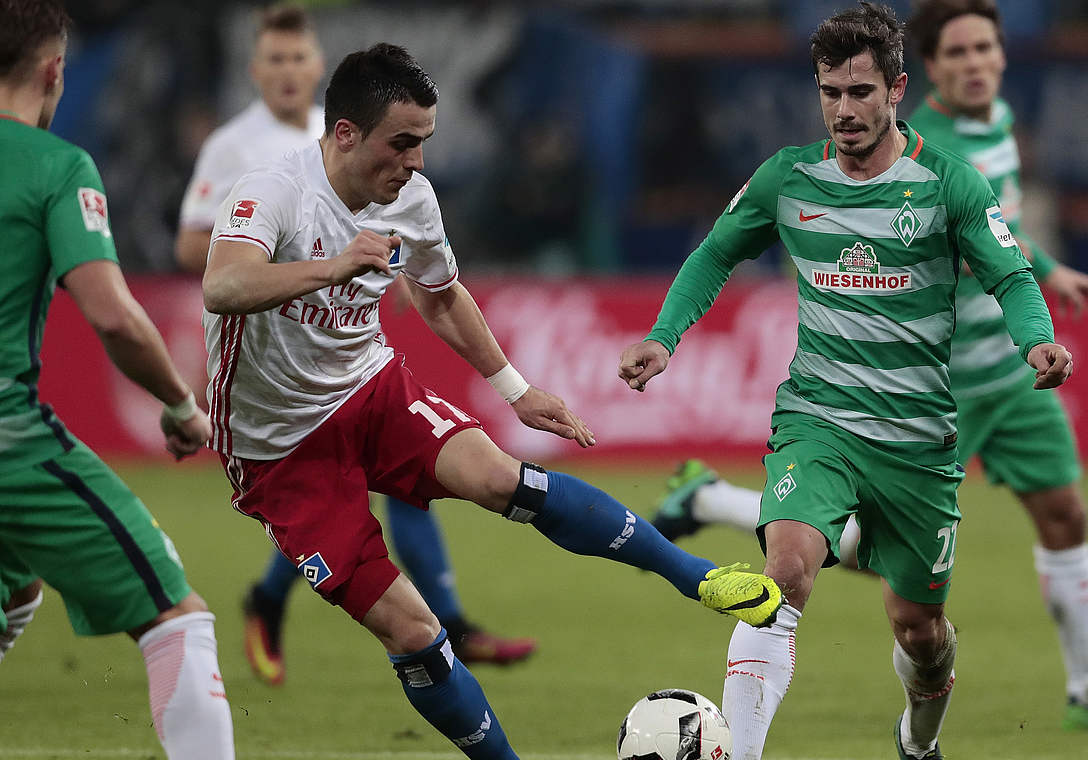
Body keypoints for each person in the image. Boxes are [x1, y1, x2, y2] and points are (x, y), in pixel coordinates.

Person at [200, 43, 782, 757]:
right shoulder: (272, 190)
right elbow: (222, 286)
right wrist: (334, 265)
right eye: (402, 143)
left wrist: (517, 390)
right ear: (346, 134)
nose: (416, 161)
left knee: (503, 478)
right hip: (278, 448)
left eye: (425, 143)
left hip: (368, 387)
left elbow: (440, 297)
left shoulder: (410, 199)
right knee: (414, 633)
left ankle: (696, 575)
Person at [648, 0, 1088, 734]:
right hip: (819, 420)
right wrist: (665, 336)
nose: (844, 109)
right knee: (786, 577)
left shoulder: (950, 182)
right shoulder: (786, 179)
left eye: (860, 92)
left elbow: (1010, 272)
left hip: (919, 440)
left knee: (921, 633)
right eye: (830, 92)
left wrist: (1036, 340)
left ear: (896, 91)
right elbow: (715, 254)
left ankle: (920, 740)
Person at [174, 3, 533, 685]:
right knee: (345, 494)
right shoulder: (235, 150)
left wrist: (380, 264)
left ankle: (444, 621)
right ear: (255, 70)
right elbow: (198, 246)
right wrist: (278, 259)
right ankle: (302, 602)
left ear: (316, 67)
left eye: (298, 58)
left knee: (407, 477)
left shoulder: (348, 136)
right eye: (273, 59)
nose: (287, 71)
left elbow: (382, 226)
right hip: (269, 350)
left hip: (344, 339)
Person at [0, 1, 234, 757]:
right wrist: (178, 402)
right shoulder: (56, 167)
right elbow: (115, 316)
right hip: (9, 447)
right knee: (178, 616)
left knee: (16, 590)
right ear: (54, 70)